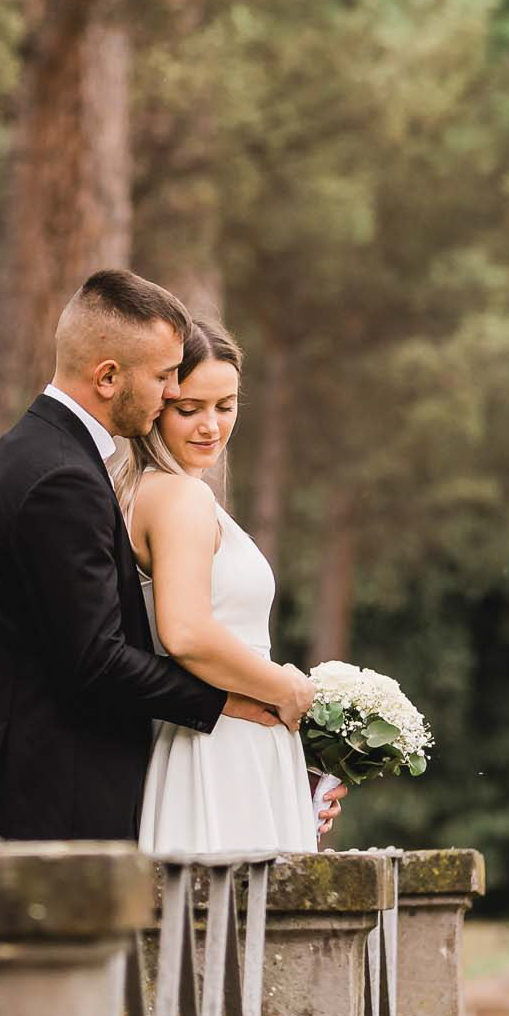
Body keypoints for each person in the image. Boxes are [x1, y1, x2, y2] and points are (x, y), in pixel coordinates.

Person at [0, 270, 289, 841]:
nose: (173, 393)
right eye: (166, 378)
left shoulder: (38, 454)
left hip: (30, 793)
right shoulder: (61, 479)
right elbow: (96, 658)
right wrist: (228, 702)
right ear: (107, 377)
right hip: (41, 807)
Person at [119, 318, 346, 855]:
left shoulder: (173, 493)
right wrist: (290, 693)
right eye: (189, 409)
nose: (211, 427)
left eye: (225, 405)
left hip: (229, 740)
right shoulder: (177, 497)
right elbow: (187, 634)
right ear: (158, 405)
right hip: (214, 748)